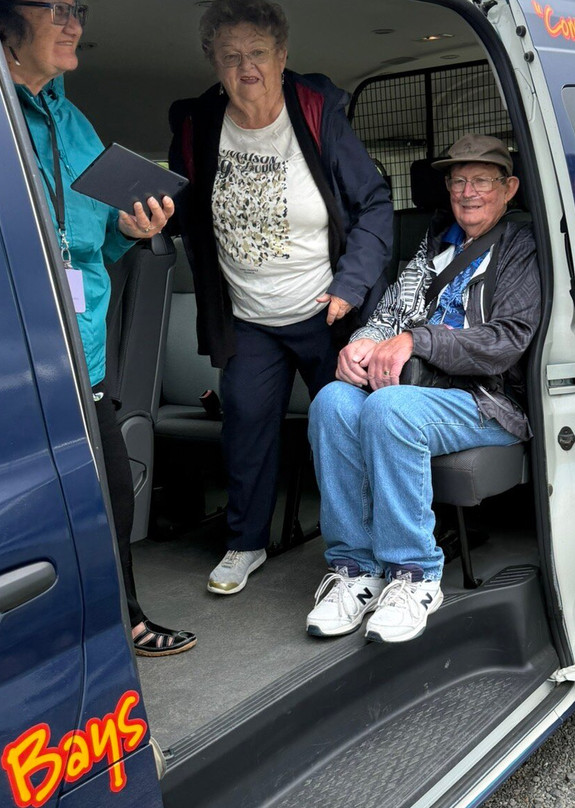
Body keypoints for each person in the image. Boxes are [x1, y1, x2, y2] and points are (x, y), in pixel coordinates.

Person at [0, 0, 195, 655]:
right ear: (3, 18)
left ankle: (124, 619)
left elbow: (98, 246)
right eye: (54, 6)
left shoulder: (73, 122)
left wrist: (136, 231)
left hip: (84, 358)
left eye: (80, 8)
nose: (73, 21)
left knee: (109, 497)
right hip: (5, 362)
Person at [168, 0, 393, 596]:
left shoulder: (318, 114)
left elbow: (373, 206)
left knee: (343, 426)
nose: (246, 67)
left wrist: (351, 286)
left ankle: (364, 550)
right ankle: (245, 543)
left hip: (326, 310)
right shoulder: (196, 127)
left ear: (283, 56)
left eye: (258, 53)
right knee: (244, 425)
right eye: (230, 55)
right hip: (250, 317)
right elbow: (184, 212)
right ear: (213, 62)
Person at [304, 134, 540, 643]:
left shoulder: (521, 247)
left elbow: (506, 342)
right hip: (413, 390)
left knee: (390, 410)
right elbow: (388, 313)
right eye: (458, 182)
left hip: (486, 400)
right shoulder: (435, 245)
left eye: (481, 181)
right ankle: (355, 571)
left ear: (508, 188)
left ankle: (414, 576)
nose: (468, 191)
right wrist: (362, 344)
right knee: (331, 402)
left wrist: (417, 340)